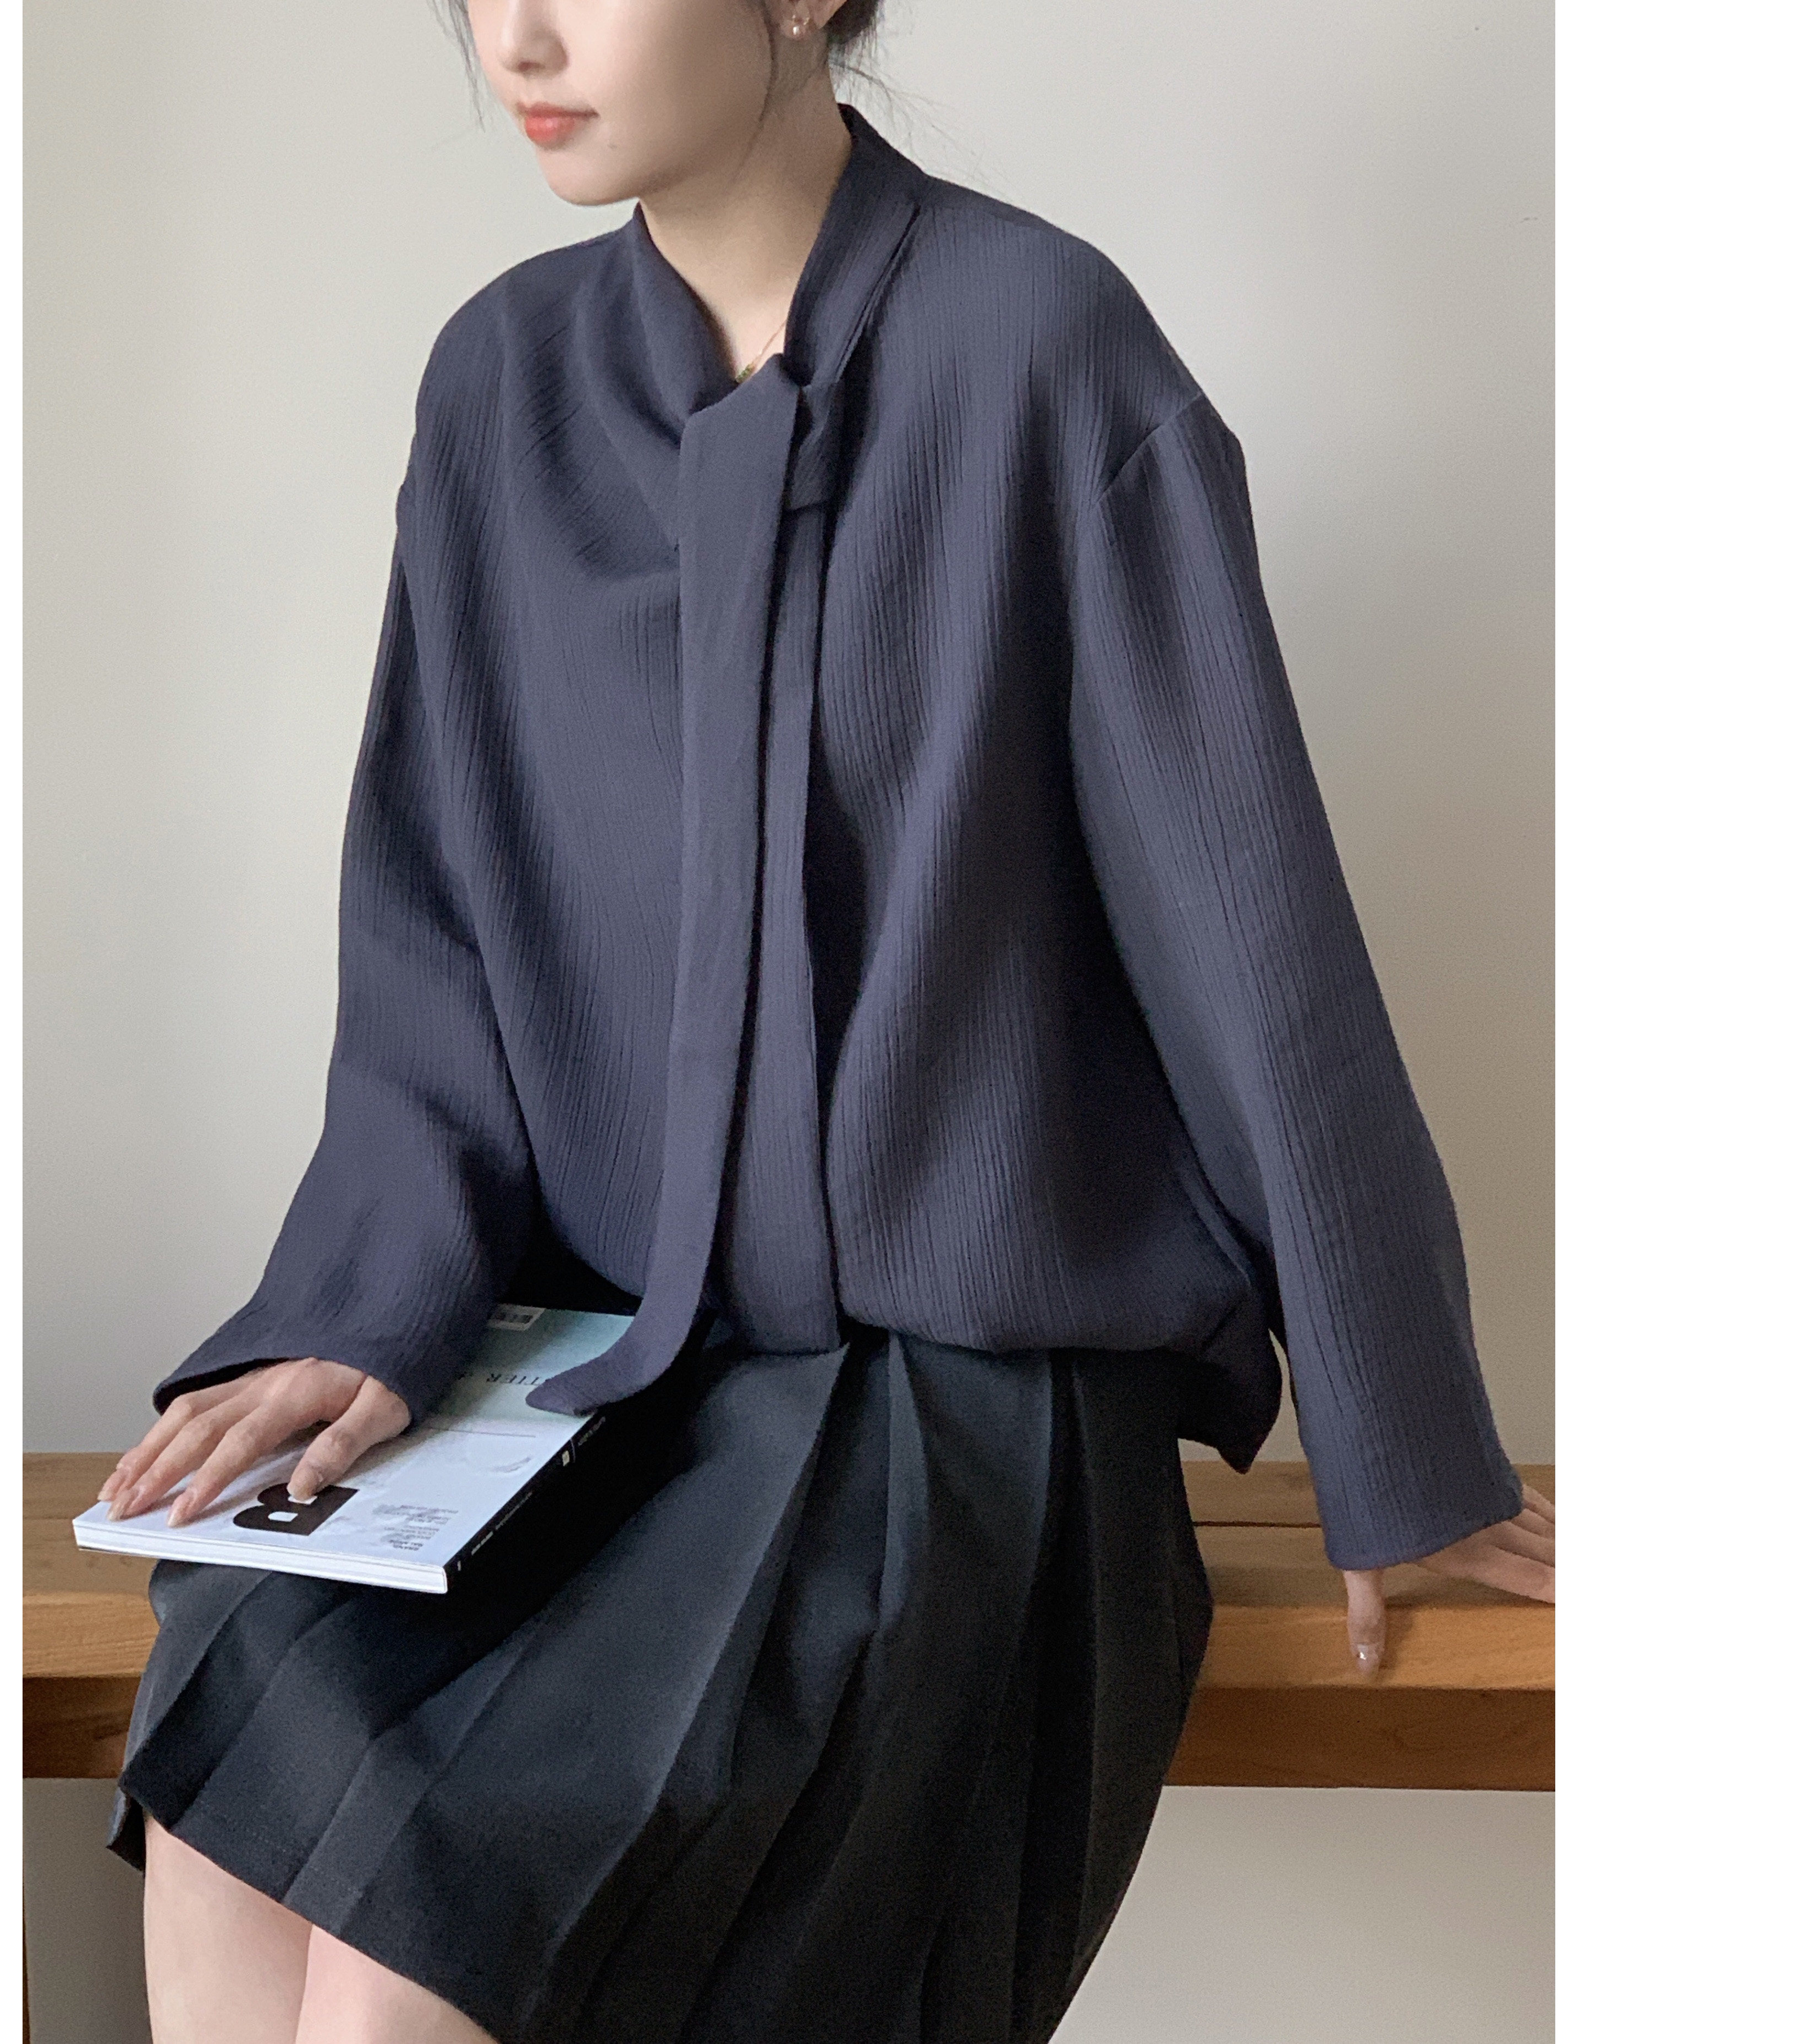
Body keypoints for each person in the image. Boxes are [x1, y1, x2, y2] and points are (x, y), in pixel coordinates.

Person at [95, 4, 1556, 2040]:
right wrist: (365, 1306)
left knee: (404, 1967)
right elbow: (432, 918)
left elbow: (1250, 931)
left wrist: (1401, 1435)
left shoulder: (1039, 345)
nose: (516, 39)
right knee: (225, 1771)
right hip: (602, 1374)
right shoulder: (502, 380)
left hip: (953, 1406)